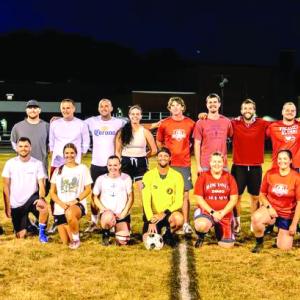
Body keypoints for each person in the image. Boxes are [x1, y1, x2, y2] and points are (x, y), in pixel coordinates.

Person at [84, 99, 127, 232]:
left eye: (107, 105)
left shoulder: (119, 122)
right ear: (98, 109)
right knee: (94, 195)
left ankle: (114, 219)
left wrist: (155, 124)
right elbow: (74, 123)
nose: (104, 108)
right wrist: (59, 118)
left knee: (114, 193)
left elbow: (137, 125)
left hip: (112, 165)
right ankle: (94, 221)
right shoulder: (91, 121)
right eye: (101, 106)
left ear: (111, 108)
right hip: (97, 164)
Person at [48, 98, 90, 233]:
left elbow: (85, 142)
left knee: (73, 189)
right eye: (63, 108)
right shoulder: (55, 124)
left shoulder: (81, 124)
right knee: (56, 192)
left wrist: (79, 158)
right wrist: (54, 157)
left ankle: (73, 217)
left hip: (74, 160)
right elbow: (52, 142)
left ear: (73, 109)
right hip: (58, 161)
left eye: (68, 107)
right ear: (61, 109)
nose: (66, 110)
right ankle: (57, 220)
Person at [156, 96, 195, 234]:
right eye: (173, 105)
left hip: (184, 163)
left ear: (183, 107)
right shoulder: (165, 123)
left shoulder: (191, 123)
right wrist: (164, 157)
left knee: (185, 194)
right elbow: (159, 142)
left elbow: (193, 142)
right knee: (167, 194)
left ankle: (185, 223)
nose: (176, 107)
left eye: (178, 105)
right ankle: (166, 221)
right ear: (169, 108)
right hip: (169, 165)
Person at [230, 99, 270, 232]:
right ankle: (237, 222)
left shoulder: (262, 123)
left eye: (250, 108)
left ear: (254, 110)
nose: (248, 111)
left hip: (255, 166)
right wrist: (203, 115)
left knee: (255, 197)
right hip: (239, 166)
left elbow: (281, 124)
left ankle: (254, 222)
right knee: (237, 197)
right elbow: (218, 120)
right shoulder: (234, 122)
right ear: (241, 111)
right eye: (245, 108)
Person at [251, 149, 300, 253]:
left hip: (287, 214)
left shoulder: (296, 177)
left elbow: (299, 203)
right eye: (280, 158)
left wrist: (294, 224)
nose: (282, 161)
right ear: (277, 160)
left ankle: (280, 235)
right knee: (256, 218)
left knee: (284, 247)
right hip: (272, 210)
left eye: (285, 159)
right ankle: (259, 242)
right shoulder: (270, 174)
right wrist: (269, 208)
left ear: (291, 160)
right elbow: (262, 194)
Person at [2, 137, 49, 242]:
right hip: (17, 204)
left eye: (26, 146)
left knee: (43, 207)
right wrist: (7, 206)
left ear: (30, 148)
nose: (23, 148)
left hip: (32, 199)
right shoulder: (10, 163)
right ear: (17, 148)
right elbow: (5, 186)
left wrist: (41, 198)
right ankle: (29, 225)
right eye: (21, 146)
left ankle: (42, 232)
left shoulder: (37, 163)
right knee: (21, 236)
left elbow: (42, 184)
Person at [50, 143, 92, 249]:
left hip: (76, 205)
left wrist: (75, 201)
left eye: (72, 153)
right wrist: (61, 204)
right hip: (61, 207)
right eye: (67, 153)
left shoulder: (82, 168)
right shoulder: (58, 170)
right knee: (66, 242)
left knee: (70, 214)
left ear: (76, 154)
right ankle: (73, 229)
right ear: (64, 155)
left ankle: (76, 239)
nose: (69, 155)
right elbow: (52, 192)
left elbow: (88, 189)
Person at [194, 152, 238, 248]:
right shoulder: (203, 177)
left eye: (219, 162)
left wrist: (222, 213)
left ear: (223, 163)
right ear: (210, 163)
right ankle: (201, 235)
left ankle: (220, 227)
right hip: (207, 212)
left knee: (227, 245)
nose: (216, 164)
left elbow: (234, 199)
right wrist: (213, 212)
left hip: (224, 214)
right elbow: (199, 198)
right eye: (214, 161)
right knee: (201, 225)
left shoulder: (229, 178)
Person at [142, 147, 184, 247]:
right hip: (153, 216)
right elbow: (146, 201)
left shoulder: (177, 176)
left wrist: (164, 213)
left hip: (168, 214)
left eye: (166, 156)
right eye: (160, 155)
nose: (163, 158)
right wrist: (150, 220)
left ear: (170, 158)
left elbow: (179, 202)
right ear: (157, 158)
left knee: (178, 219)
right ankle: (159, 231)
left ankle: (169, 233)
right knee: (147, 241)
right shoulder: (148, 176)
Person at [93, 155, 133, 246]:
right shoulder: (101, 179)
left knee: (123, 241)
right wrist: (104, 209)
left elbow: (131, 197)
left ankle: (118, 229)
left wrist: (124, 213)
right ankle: (106, 233)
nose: (112, 168)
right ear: (107, 166)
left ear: (119, 165)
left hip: (121, 214)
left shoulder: (126, 178)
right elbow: (95, 197)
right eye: (110, 165)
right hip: (107, 213)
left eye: (115, 165)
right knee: (107, 217)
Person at [115, 105, 157, 189]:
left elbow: (154, 150)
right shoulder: (122, 131)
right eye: (133, 114)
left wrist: (144, 156)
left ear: (141, 116)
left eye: (137, 114)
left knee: (144, 189)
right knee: (125, 190)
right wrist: (119, 163)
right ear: (129, 115)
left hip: (141, 162)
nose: (135, 116)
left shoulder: (145, 132)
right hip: (125, 162)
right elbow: (117, 151)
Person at [193, 93, 233, 173]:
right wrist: (198, 165)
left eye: (215, 102)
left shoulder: (227, 122)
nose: (212, 104)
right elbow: (197, 144)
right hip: (205, 164)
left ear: (219, 104)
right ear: (206, 105)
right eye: (210, 102)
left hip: (222, 164)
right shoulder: (200, 122)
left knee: (223, 186)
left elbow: (232, 136)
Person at [11, 99, 49, 174]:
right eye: (30, 108)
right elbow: (14, 143)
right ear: (26, 110)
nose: (32, 110)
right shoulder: (17, 126)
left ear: (39, 110)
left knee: (42, 185)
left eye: (35, 108)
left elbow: (51, 145)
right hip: (22, 169)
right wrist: (23, 153)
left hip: (41, 169)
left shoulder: (47, 126)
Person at [266, 102, 300, 170]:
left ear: (296, 113)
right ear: (282, 112)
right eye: (287, 110)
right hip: (278, 165)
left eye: (292, 111)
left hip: (296, 167)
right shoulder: (273, 126)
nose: (290, 112)